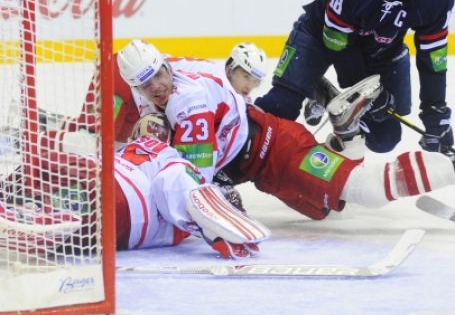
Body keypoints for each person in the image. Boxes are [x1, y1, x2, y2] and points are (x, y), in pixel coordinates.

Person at [116, 39, 455, 222]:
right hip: (260, 162)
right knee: (321, 211)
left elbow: (192, 183)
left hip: (276, 151)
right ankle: (346, 130)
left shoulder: (187, 105)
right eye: (146, 83)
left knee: (367, 190)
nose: (157, 87)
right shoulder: (178, 68)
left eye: (159, 76)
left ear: (165, 65)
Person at [255, 0, 455, 155]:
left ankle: (326, 98)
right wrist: (366, 92)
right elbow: (335, 40)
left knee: (384, 137)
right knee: (282, 105)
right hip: (320, 36)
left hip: (378, 50)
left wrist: (435, 111)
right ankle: (229, 150)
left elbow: (434, 55)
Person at [0, 113, 269, 260]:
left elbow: (176, 181)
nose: (153, 130)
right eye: (148, 125)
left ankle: (34, 209)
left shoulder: (170, 157)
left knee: (58, 167)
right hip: (120, 213)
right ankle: (36, 210)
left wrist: (214, 227)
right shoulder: (130, 152)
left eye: (158, 126)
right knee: (56, 170)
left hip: (125, 201)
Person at [40, 41, 267, 154]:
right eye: (245, 76)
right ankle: (34, 142)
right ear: (231, 68)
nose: (249, 85)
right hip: (122, 79)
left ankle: (50, 122)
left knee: (117, 148)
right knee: (97, 144)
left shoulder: (227, 91)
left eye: (255, 81)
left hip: (143, 93)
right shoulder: (216, 82)